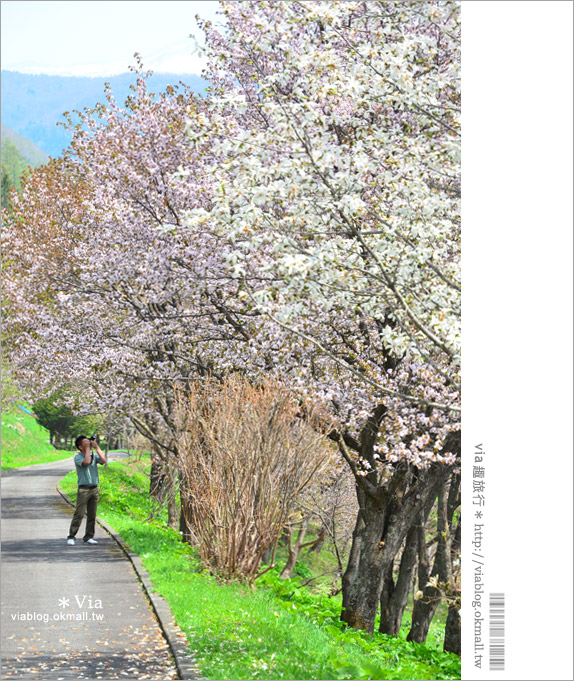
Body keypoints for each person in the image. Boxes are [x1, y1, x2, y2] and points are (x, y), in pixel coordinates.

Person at [66, 435, 107, 545]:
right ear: (80, 447)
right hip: (83, 489)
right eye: (85, 442)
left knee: (92, 514)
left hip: (94, 488)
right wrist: (88, 449)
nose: (88, 442)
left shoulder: (93, 455)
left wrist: (97, 447)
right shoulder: (78, 457)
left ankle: (89, 536)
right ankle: (71, 536)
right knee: (79, 514)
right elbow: (87, 462)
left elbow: (103, 460)